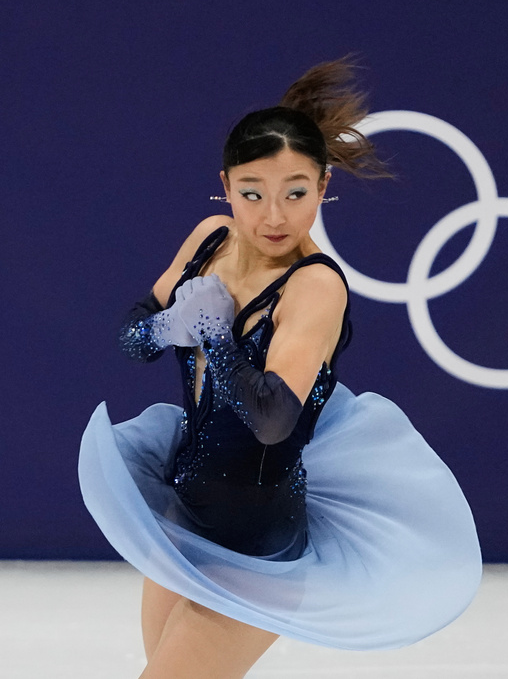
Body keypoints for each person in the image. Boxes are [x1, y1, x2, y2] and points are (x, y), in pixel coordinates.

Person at [79, 59, 482, 679]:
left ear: (323, 186)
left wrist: (213, 334)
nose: (274, 217)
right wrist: (168, 325)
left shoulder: (315, 286)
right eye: (252, 194)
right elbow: (134, 339)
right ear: (225, 185)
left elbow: (272, 420)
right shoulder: (210, 240)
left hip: (255, 544)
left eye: (295, 193)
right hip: (183, 518)